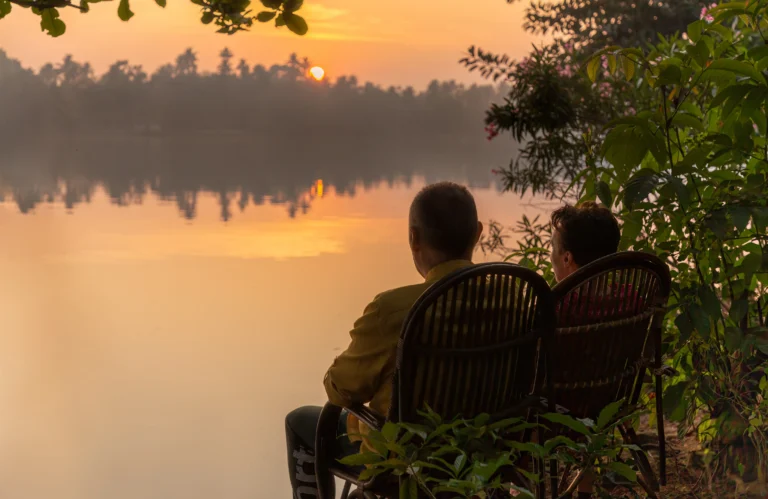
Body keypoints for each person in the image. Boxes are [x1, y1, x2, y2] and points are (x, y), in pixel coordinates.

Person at [285, 182, 483, 499]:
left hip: (402, 457)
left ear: (413, 238)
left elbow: (341, 389)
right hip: (482, 448)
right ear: (478, 234)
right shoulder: (517, 296)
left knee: (300, 422)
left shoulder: (394, 310)